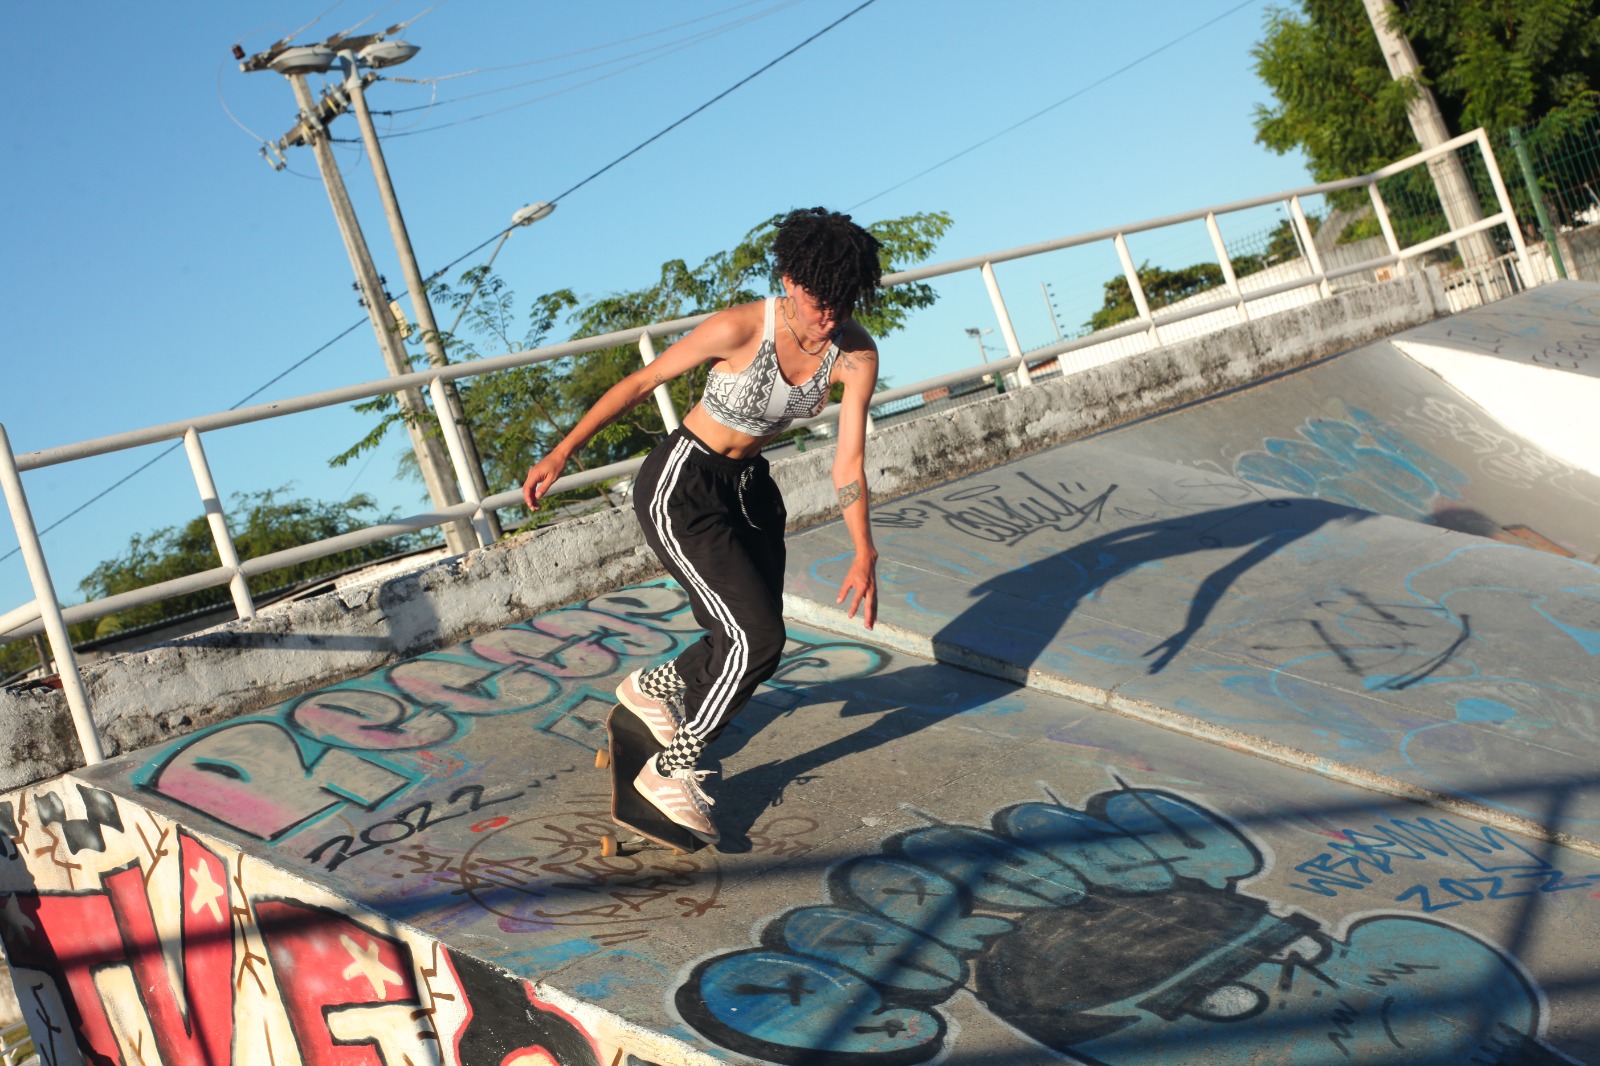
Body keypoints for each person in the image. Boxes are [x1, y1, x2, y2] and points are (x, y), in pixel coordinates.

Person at [521, 207, 882, 846]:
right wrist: (561, 451)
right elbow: (642, 381)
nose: (832, 316)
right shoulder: (743, 327)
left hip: (750, 493)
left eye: (845, 301)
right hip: (682, 487)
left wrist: (864, 551)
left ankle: (654, 688)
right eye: (823, 300)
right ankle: (672, 767)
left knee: (749, 642)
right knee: (756, 638)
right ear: (793, 280)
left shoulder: (854, 355)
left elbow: (847, 460)